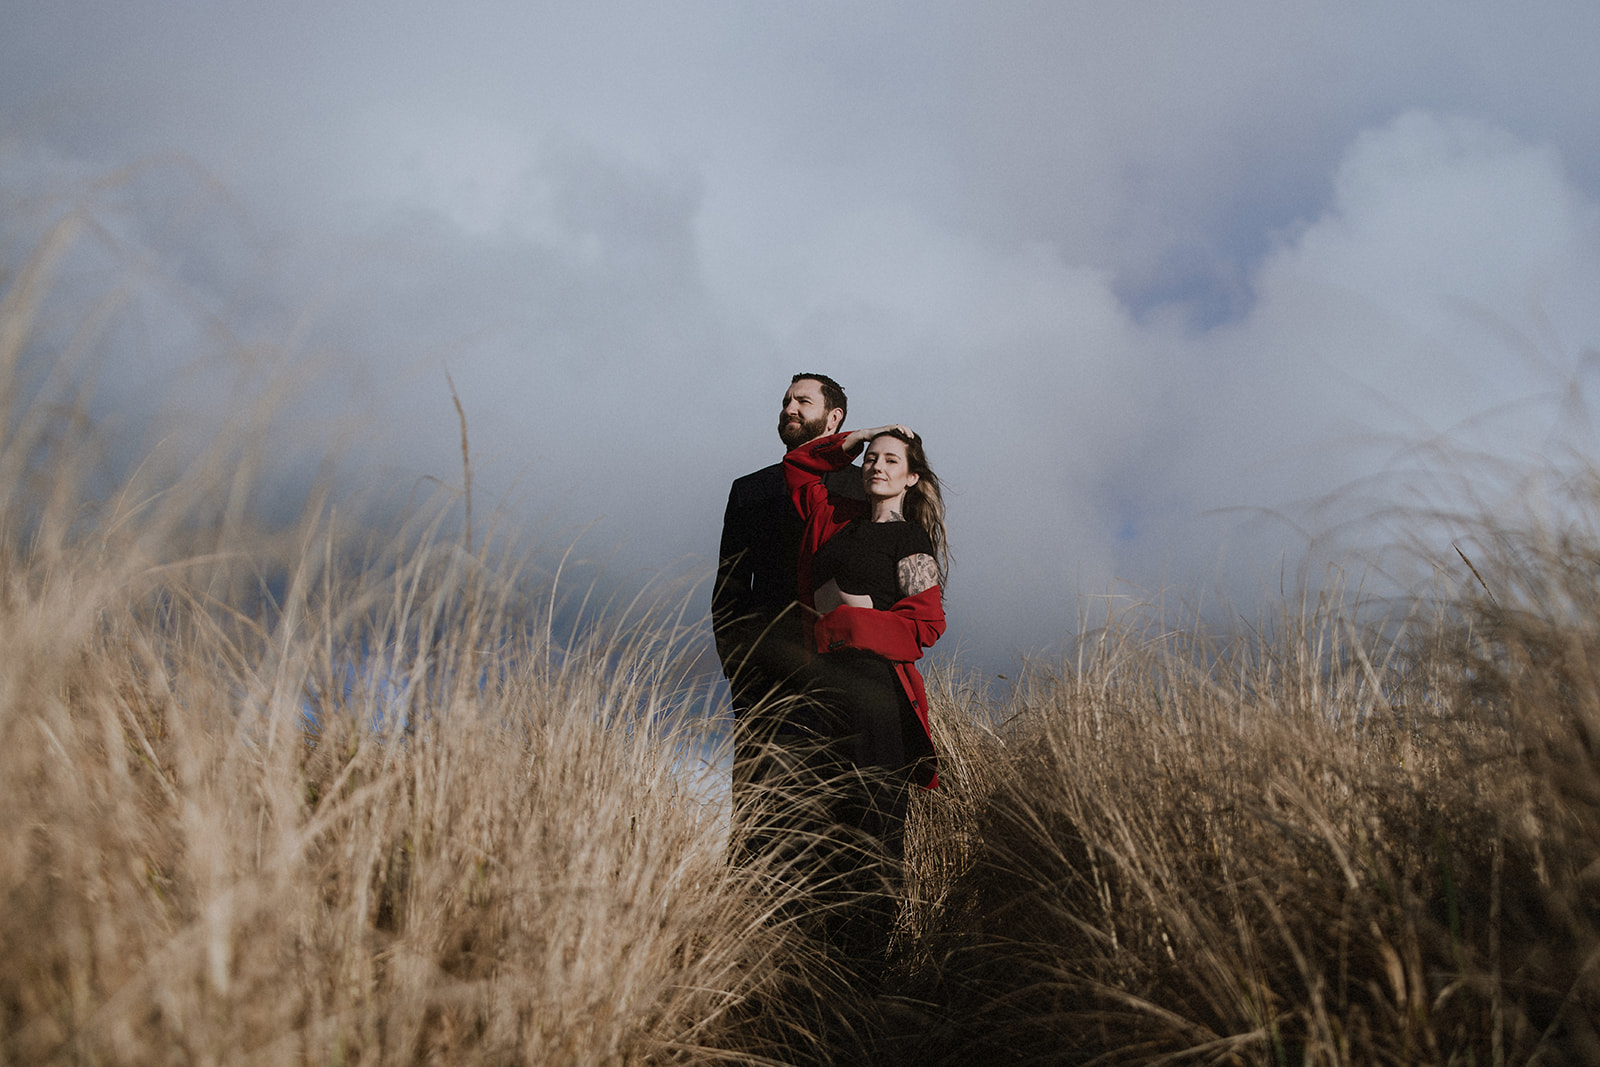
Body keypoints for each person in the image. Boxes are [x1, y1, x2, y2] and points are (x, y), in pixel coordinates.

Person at [782, 422, 949, 970]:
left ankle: (869, 964)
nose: (877, 466)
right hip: (823, 685)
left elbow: (926, 624)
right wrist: (866, 432)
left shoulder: (909, 540)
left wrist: (854, 622)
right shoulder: (836, 521)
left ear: (912, 478)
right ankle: (819, 962)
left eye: (891, 460)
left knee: (873, 821)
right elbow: (803, 465)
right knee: (822, 819)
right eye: (872, 458)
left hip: (876, 689)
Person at [714, 374, 863, 863]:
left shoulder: (862, 487)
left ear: (835, 417)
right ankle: (747, 925)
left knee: (842, 812)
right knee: (761, 813)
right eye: (785, 401)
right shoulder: (751, 490)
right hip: (767, 675)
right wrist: (741, 668)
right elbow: (730, 589)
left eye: (803, 400)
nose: (789, 408)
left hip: (845, 671)